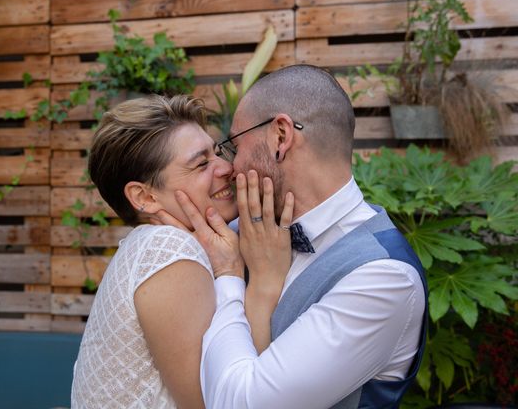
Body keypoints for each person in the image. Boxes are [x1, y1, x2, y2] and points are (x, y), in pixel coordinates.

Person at [166, 64, 428, 408]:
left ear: (280, 137)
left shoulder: (385, 278)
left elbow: (242, 404)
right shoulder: (238, 232)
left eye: (234, 146)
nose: (230, 167)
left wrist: (231, 277)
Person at [70, 94, 292, 408]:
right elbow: (217, 402)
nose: (227, 167)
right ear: (144, 197)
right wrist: (258, 278)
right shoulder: (167, 250)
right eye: (201, 164)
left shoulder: (154, 244)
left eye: (217, 153)